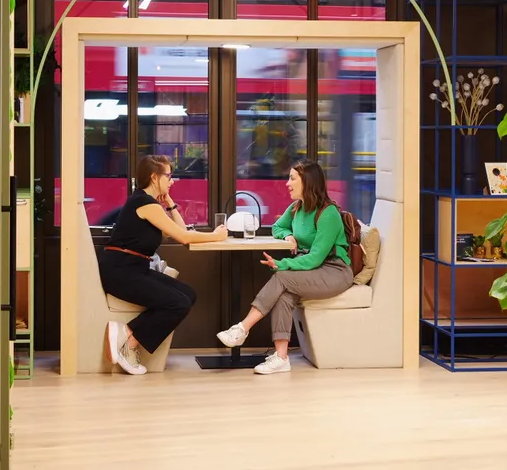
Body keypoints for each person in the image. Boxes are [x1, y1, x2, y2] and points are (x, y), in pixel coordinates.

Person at [216, 160, 354, 375]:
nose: (287, 184)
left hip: (335, 272)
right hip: (314, 270)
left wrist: (282, 264)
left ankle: (242, 328)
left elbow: (315, 258)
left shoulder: (328, 213)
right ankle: (281, 357)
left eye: (292, 178)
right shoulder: (297, 207)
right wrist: (288, 235)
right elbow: (278, 227)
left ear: (308, 182)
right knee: (284, 294)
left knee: (282, 277)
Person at [100, 155, 228, 375]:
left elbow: (181, 230)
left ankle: (126, 331)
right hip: (121, 271)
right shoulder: (144, 203)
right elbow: (184, 237)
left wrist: (170, 203)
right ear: (154, 177)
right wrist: (216, 236)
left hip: (134, 268)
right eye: (168, 176)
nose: (172, 180)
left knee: (188, 295)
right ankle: (129, 343)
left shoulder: (151, 203)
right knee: (178, 303)